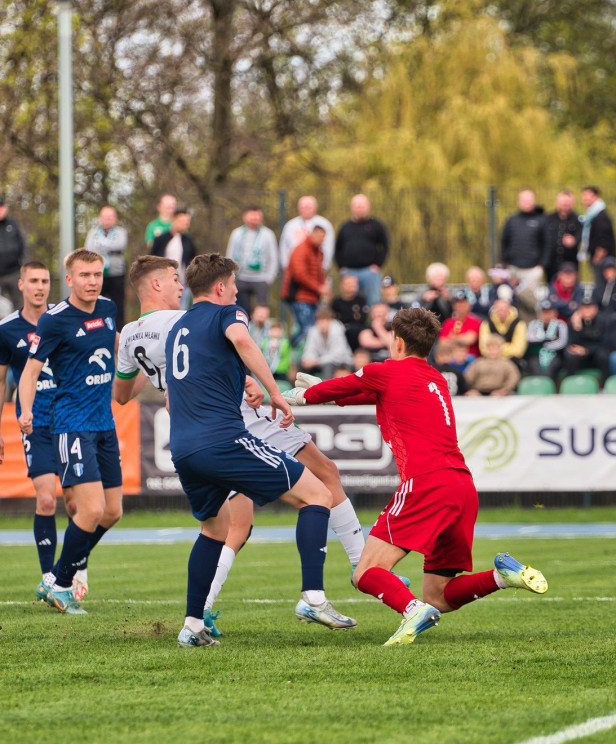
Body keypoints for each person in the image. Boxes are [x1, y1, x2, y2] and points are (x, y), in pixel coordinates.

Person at [114, 255, 367, 639]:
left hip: (182, 441)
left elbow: (134, 394)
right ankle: (321, 593)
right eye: (171, 279)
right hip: (227, 431)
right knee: (318, 491)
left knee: (218, 528)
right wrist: (266, 387)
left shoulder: (143, 332)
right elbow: (239, 340)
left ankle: (193, 623)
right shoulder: (200, 317)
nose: (179, 286)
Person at [283, 307, 548, 645]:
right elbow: (366, 393)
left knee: (365, 572)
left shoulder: (385, 371)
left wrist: (301, 396)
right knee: (439, 595)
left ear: (397, 342)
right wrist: (329, 393)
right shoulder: (435, 378)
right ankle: (502, 577)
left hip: (427, 483)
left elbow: (343, 387)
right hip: (461, 487)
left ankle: (412, 610)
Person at [20, 249, 122, 614]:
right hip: (72, 424)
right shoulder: (54, 320)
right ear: (69, 279)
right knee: (90, 509)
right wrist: (26, 410)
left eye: (97, 274)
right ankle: (62, 583)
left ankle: (60, 573)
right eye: (85, 275)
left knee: (112, 512)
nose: (92, 281)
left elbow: (116, 344)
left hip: (105, 423)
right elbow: (31, 371)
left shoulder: (108, 308)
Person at [0, 262, 64, 583]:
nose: (40, 287)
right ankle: (49, 577)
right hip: (34, 422)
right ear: (21, 285)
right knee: (47, 498)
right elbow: (1, 381)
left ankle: (75, 573)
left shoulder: (63, 318)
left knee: (80, 505)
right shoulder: (7, 329)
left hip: (70, 417)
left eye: (45, 281)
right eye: (34, 281)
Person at [334, 193, 389, 306]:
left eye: (362, 206)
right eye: (357, 206)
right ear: (352, 208)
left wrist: (378, 264)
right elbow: (338, 248)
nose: (359, 208)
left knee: (374, 301)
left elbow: (385, 245)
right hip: (349, 272)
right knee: (351, 304)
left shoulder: (376, 225)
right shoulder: (345, 227)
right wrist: (341, 266)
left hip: (369, 272)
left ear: (368, 207)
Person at [500, 189, 548, 313]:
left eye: (529, 200)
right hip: (513, 269)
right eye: (524, 200)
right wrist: (505, 264)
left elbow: (547, 244)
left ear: (534, 202)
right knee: (511, 298)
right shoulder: (511, 220)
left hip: (533, 270)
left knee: (531, 301)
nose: (526, 203)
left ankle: (533, 322)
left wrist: (542, 265)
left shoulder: (541, 220)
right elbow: (504, 242)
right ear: (518, 202)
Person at [282, 224, 331, 346]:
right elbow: (300, 275)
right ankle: (287, 348)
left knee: (312, 329)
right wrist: (319, 288)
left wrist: (324, 287)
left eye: (323, 238)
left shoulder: (318, 252)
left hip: (312, 297)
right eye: (320, 237)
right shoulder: (301, 250)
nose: (322, 240)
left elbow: (320, 273)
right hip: (298, 296)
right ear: (312, 234)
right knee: (307, 328)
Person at [225, 205, 278, 315]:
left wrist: (269, 277)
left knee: (261, 311)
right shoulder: (237, 234)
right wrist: (231, 275)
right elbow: (230, 255)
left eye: (257, 215)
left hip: (261, 278)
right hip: (241, 277)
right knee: (241, 311)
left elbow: (273, 257)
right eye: (251, 215)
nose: (254, 218)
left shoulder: (268, 234)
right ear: (244, 217)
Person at [83, 206, 128, 327]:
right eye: (105, 217)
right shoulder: (93, 233)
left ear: (115, 218)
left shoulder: (121, 232)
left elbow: (120, 245)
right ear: (100, 218)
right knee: (96, 302)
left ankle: (118, 330)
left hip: (116, 274)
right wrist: (109, 247)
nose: (108, 219)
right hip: (98, 274)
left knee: (118, 304)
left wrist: (100, 246)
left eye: (110, 217)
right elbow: (89, 247)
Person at [150, 208, 198, 308]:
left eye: (187, 222)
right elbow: (152, 259)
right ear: (174, 220)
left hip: (183, 284)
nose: (185, 225)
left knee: (181, 311)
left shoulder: (189, 241)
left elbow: (193, 261)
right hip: (162, 284)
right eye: (182, 222)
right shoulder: (161, 239)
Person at [280, 195, 335, 272]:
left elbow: (328, 246)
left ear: (315, 207)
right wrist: (286, 266)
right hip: (294, 268)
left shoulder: (324, 224)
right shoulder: (290, 225)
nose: (306, 209)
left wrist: (324, 266)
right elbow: (284, 247)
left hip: (316, 268)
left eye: (309, 207)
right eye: (303, 207)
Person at [301, 308, 354, 378]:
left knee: (328, 366)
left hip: (342, 362)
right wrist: (308, 360)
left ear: (330, 321)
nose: (322, 324)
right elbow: (310, 349)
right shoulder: (313, 331)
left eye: (324, 321)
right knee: (302, 366)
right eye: (320, 321)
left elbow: (337, 355)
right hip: (320, 362)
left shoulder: (337, 329)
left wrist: (316, 361)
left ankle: (327, 385)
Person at [564, 296, 607, 376]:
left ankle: (604, 382)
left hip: (595, 353)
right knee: (570, 355)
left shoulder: (603, 321)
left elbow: (604, 343)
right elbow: (571, 343)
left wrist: (587, 350)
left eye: (589, 308)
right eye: (584, 308)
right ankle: (571, 380)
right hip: (579, 354)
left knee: (603, 355)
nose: (587, 311)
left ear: (595, 309)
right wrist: (577, 327)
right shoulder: (574, 320)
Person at [579, 186, 616, 278]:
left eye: (587, 195)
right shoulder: (592, 215)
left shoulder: (600, 216)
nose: (585, 198)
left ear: (596, 197)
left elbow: (604, 240)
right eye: (583, 195)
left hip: (603, 260)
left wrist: (598, 257)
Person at [543, 190, 581, 282]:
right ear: (557, 202)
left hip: (570, 263)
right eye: (563, 202)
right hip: (551, 263)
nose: (565, 204)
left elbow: (582, 235)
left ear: (572, 203)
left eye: (567, 202)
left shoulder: (577, 220)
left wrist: (574, 240)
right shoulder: (548, 219)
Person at [478, 298, 527, 369]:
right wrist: (506, 348)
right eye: (499, 309)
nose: (502, 312)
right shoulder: (486, 323)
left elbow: (518, 350)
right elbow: (483, 348)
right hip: (490, 361)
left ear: (509, 308)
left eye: (504, 309)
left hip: (512, 361)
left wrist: (494, 349)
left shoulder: (519, 324)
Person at [524, 299, 567, 379]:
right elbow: (530, 339)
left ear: (554, 313)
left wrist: (543, 344)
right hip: (536, 355)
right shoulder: (533, 324)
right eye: (544, 313)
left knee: (548, 370)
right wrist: (548, 340)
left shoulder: (560, 325)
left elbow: (562, 343)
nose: (546, 316)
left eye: (549, 312)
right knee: (535, 368)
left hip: (554, 355)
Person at [0, 195, 28, 308]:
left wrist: (25, 265)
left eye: (1, 207)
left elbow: (23, 245)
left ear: (5, 208)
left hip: (14, 272)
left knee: (20, 304)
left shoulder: (13, 224)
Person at [330, 273, 368, 351]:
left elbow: (362, 318)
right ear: (342, 286)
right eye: (349, 284)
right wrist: (352, 316)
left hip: (358, 330)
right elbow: (334, 319)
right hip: (341, 330)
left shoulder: (361, 300)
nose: (352, 286)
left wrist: (344, 316)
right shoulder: (336, 302)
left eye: (354, 284)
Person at [439, 291, 482, 359]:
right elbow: (442, 343)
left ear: (469, 306)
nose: (461, 307)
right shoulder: (448, 322)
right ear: (454, 306)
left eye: (463, 304)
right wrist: (461, 338)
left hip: (470, 359)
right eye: (458, 304)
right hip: (451, 359)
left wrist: (452, 338)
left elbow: (470, 339)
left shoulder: (475, 321)